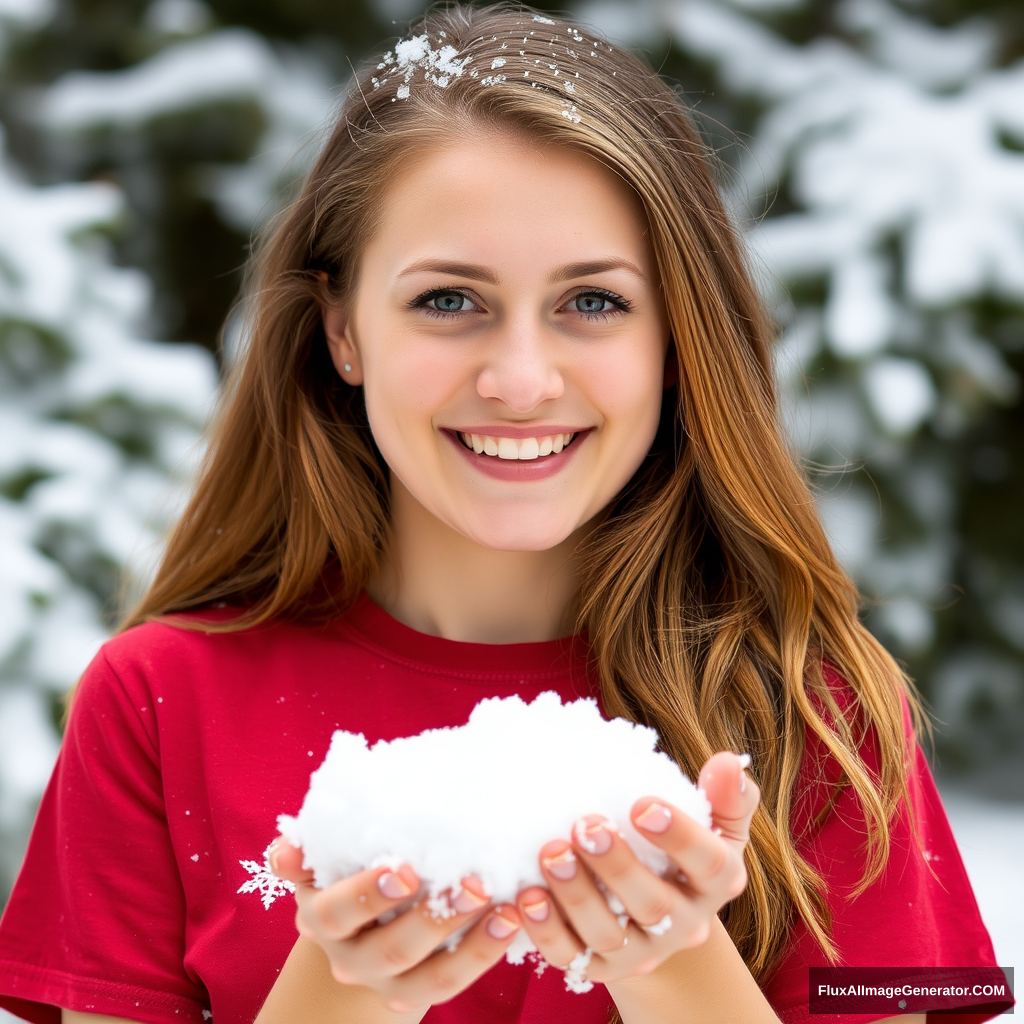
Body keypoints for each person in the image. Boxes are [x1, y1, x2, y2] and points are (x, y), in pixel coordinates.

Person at [0, 5, 1010, 1024]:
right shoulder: (156, 705)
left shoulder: (821, 714)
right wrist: (340, 994)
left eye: (593, 302)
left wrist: (673, 963)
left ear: (675, 334)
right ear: (344, 328)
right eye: (449, 300)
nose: (521, 380)